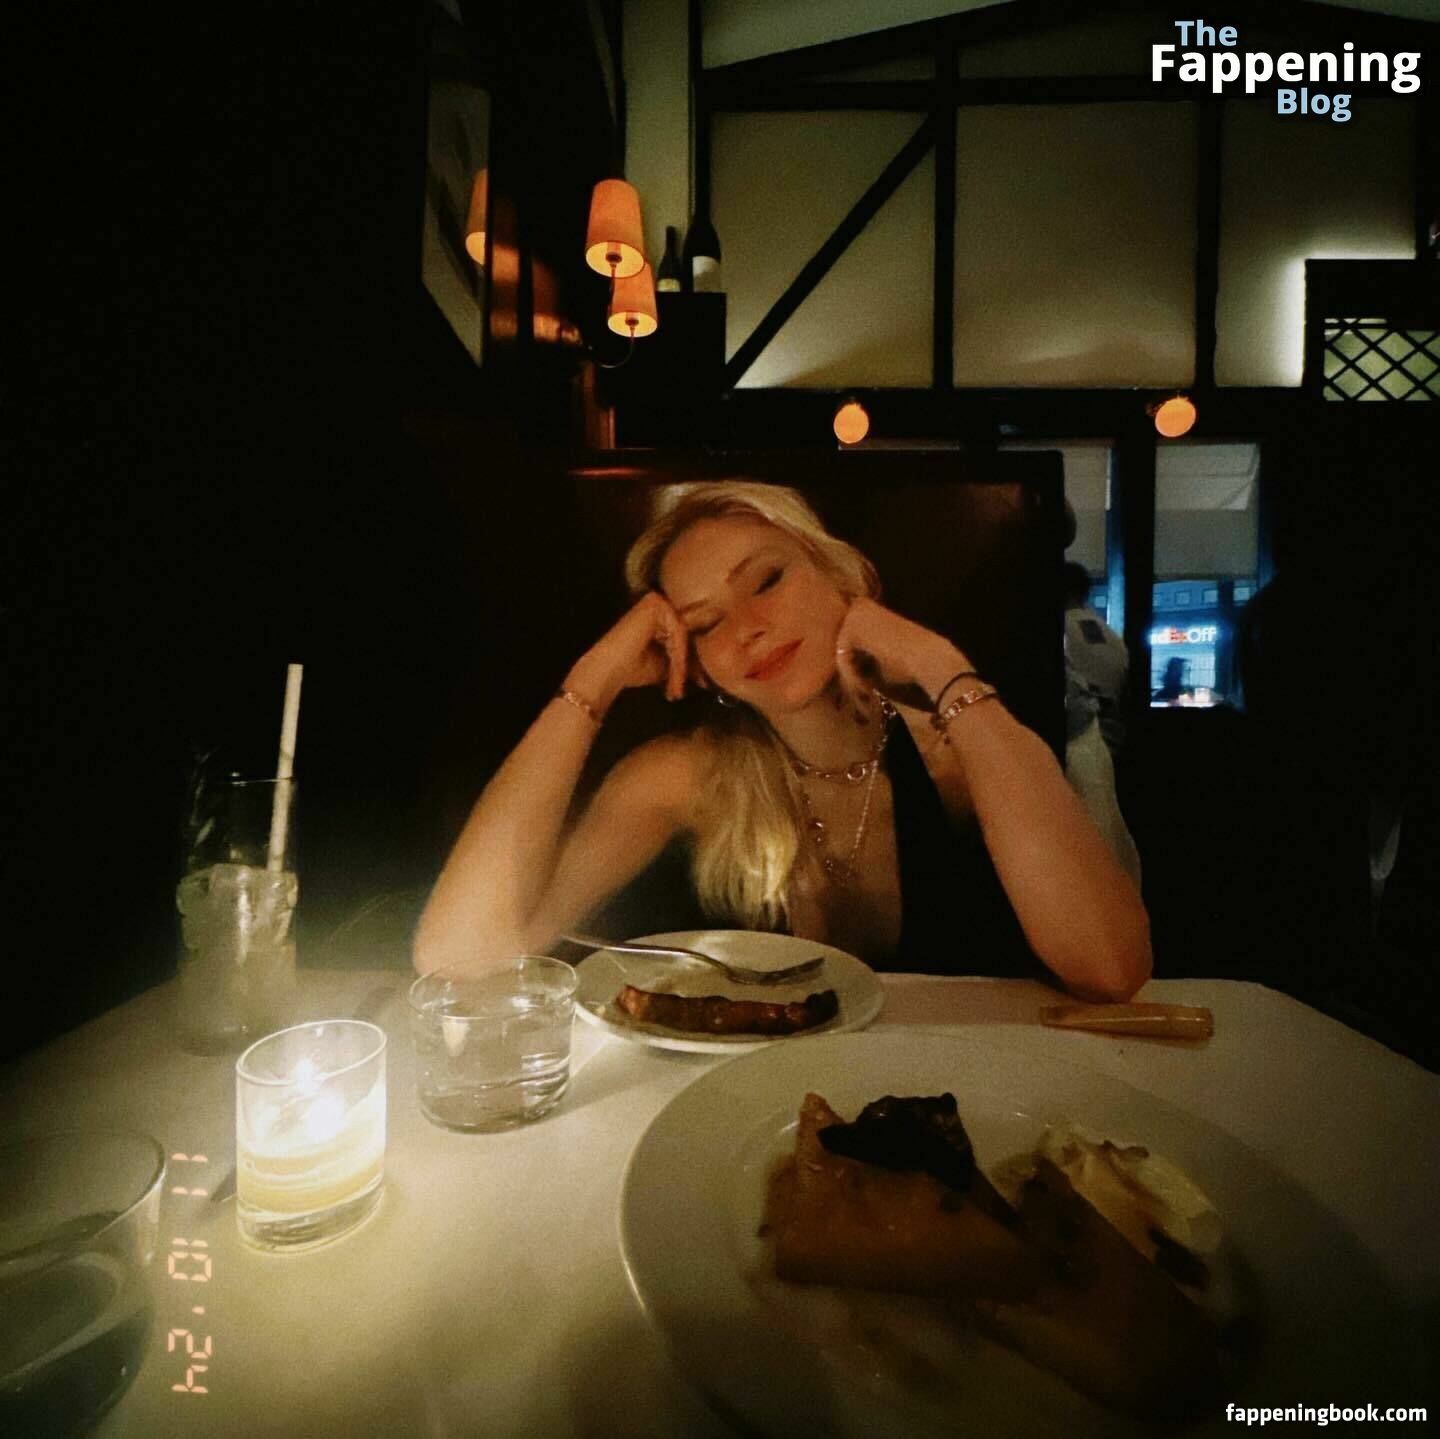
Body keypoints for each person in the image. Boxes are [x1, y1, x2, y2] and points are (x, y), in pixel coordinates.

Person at [414, 482, 1151, 1000]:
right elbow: (460, 958)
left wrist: (936, 663)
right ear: (696, 662)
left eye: (766, 580)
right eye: (705, 624)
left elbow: (1112, 966)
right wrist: (591, 682)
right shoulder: (682, 777)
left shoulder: (962, 753)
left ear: (841, 574)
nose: (746, 629)